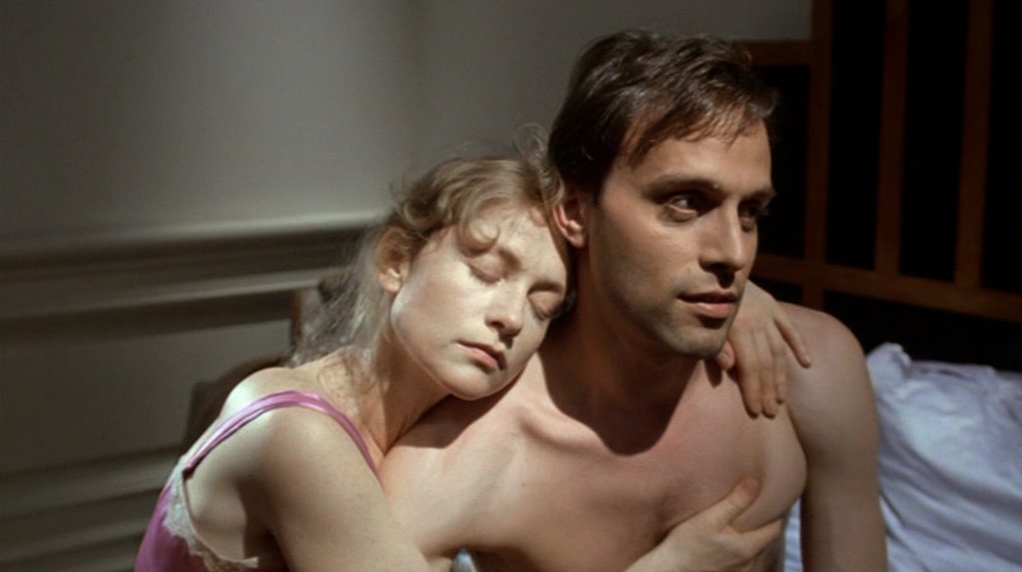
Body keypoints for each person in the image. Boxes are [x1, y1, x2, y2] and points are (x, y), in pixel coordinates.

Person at [133, 147, 806, 572]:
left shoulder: (420, 439)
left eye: (543, 304)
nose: (511, 317)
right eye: (486, 271)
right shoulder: (298, 435)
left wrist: (731, 298)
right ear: (395, 261)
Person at [380, 31, 887, 571]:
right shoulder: (460, 461)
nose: (734, 254)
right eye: (685, 203)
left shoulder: (810, 369)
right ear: (575, 211)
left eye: (750, 213)